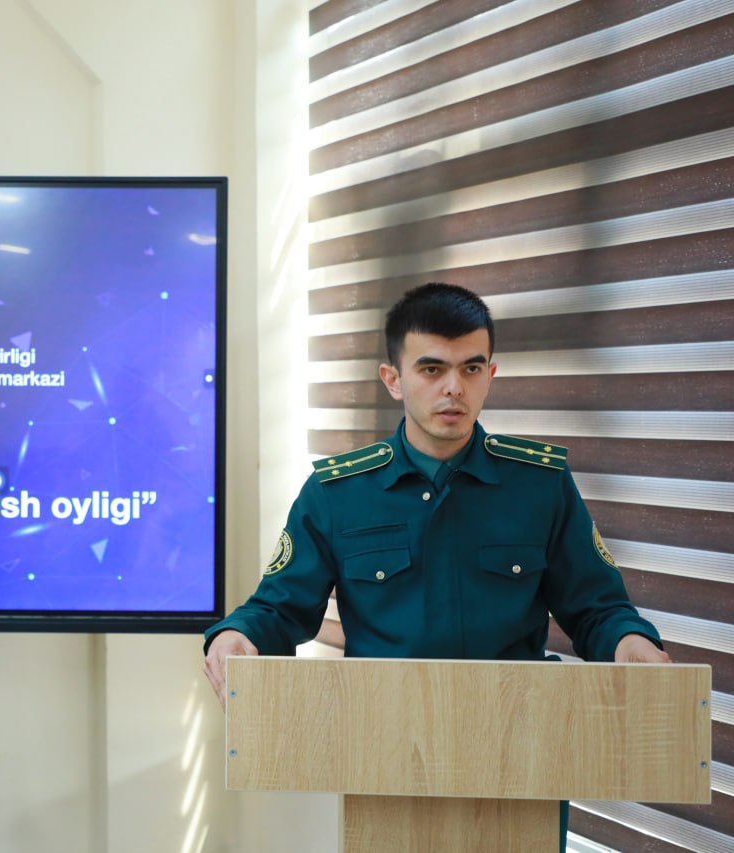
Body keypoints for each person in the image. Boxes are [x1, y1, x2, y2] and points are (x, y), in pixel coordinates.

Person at [203, 284, 668, 847]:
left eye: (471, 368)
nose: (454, 388)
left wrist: (629, 643)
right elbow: (280, 609)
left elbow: (596, 608)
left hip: (519, 753)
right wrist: (238, 635)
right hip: (385, 755)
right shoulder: (337, 493)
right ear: (393, 379)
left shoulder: (539, 486)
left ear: (490, 375)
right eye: (431, 369)